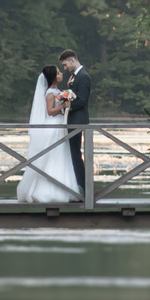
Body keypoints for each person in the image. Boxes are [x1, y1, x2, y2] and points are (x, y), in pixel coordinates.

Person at [20, 62, 78, 202]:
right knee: (53, 157)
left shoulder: (57, 92)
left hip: (59, 125)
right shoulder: (51, 93)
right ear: (52, 77)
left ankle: (63, 187)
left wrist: (65, 105)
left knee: (61, 156)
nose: (61, 74)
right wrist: (63, 105)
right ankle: (47, 190)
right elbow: (50, 111)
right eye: (58, 73)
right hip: (53, 127)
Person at [56, 50, 92, 193]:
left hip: (78, 120)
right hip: (72, 119)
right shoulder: (73, 77)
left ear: (72, 60)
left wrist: (67, 105)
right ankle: (76, 185)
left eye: (65, 65)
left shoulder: (83, 77)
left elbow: (82, 100)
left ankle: (82, 187)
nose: (65, 68)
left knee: (75, 153)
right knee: (73, 153)